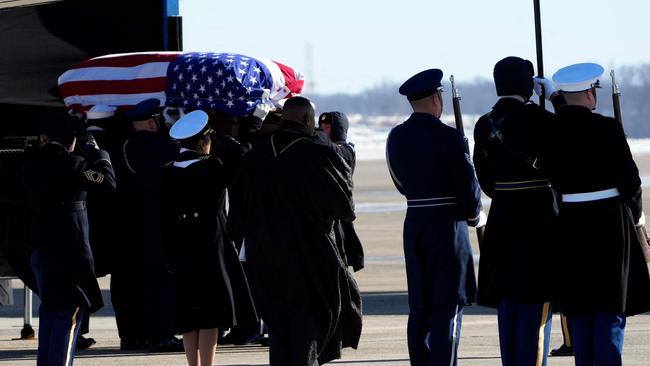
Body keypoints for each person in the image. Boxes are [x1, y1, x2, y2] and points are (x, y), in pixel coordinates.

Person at [229, 96, 362, 366]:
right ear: (307, 120)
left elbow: (239, 213)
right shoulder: (317, 154)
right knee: (307, 331)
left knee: (279, 332)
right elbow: (344, 208)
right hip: (309, 257)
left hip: (263, 257)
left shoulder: (256, 155)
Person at [535, 62, 650, 366]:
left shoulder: (550, 131)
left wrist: (554, 99)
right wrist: (637, 216)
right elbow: (631, 181)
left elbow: (567, 122)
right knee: (610, 310)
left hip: (571, 223)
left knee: (581, 309)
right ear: (589, 93)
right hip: (610, 223)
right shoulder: (607, 128)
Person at [386, 68, 483, 366]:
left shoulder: (396, 137)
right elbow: (469, 191)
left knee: (420, 307)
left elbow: (400, 182)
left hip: (415, 224)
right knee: (447, 308)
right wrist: (473, 214)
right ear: (435, 99)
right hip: (447, 227)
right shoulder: (449, 137)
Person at [472, 56, 559, 366]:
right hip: (537, 219)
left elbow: (485, 181)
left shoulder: (484, 124)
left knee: (508, 305)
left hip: (502, 217)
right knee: (536, 305)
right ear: (528, 85)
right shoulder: (543, 120)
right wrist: (554, 99)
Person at [163, 110, 257, 366]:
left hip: (182, 245)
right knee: (210, 315)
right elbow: (241, 160)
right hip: (210, 246)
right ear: (203, 141)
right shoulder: (211, 166)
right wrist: (224, 137)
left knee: (188, 314)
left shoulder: (169, 171)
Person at [24, 111, 115, 365]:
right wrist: (99, 154)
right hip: (69, 252)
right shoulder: (75, 165)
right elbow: (108, 182)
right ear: (72, 140)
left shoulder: (31, 164)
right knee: (69, 314)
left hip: (41, 247)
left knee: (51, 312)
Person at [114, 98, 181, 351]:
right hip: (156, 224)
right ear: (153, 122)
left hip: (129, 226)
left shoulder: (125, 145)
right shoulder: (157, 145)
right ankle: (162, 333)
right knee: (160, 280)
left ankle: (133, 335)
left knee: (132, 282)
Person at [315, 111, 364, 271]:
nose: (323, 130)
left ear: (338, 129)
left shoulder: (346, 150)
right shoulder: (323, 148)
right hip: (325, 214)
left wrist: (314, 133)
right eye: (321, 126)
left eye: (327, 127)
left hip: (338, 217)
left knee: (339, 263)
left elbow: (335, 152)